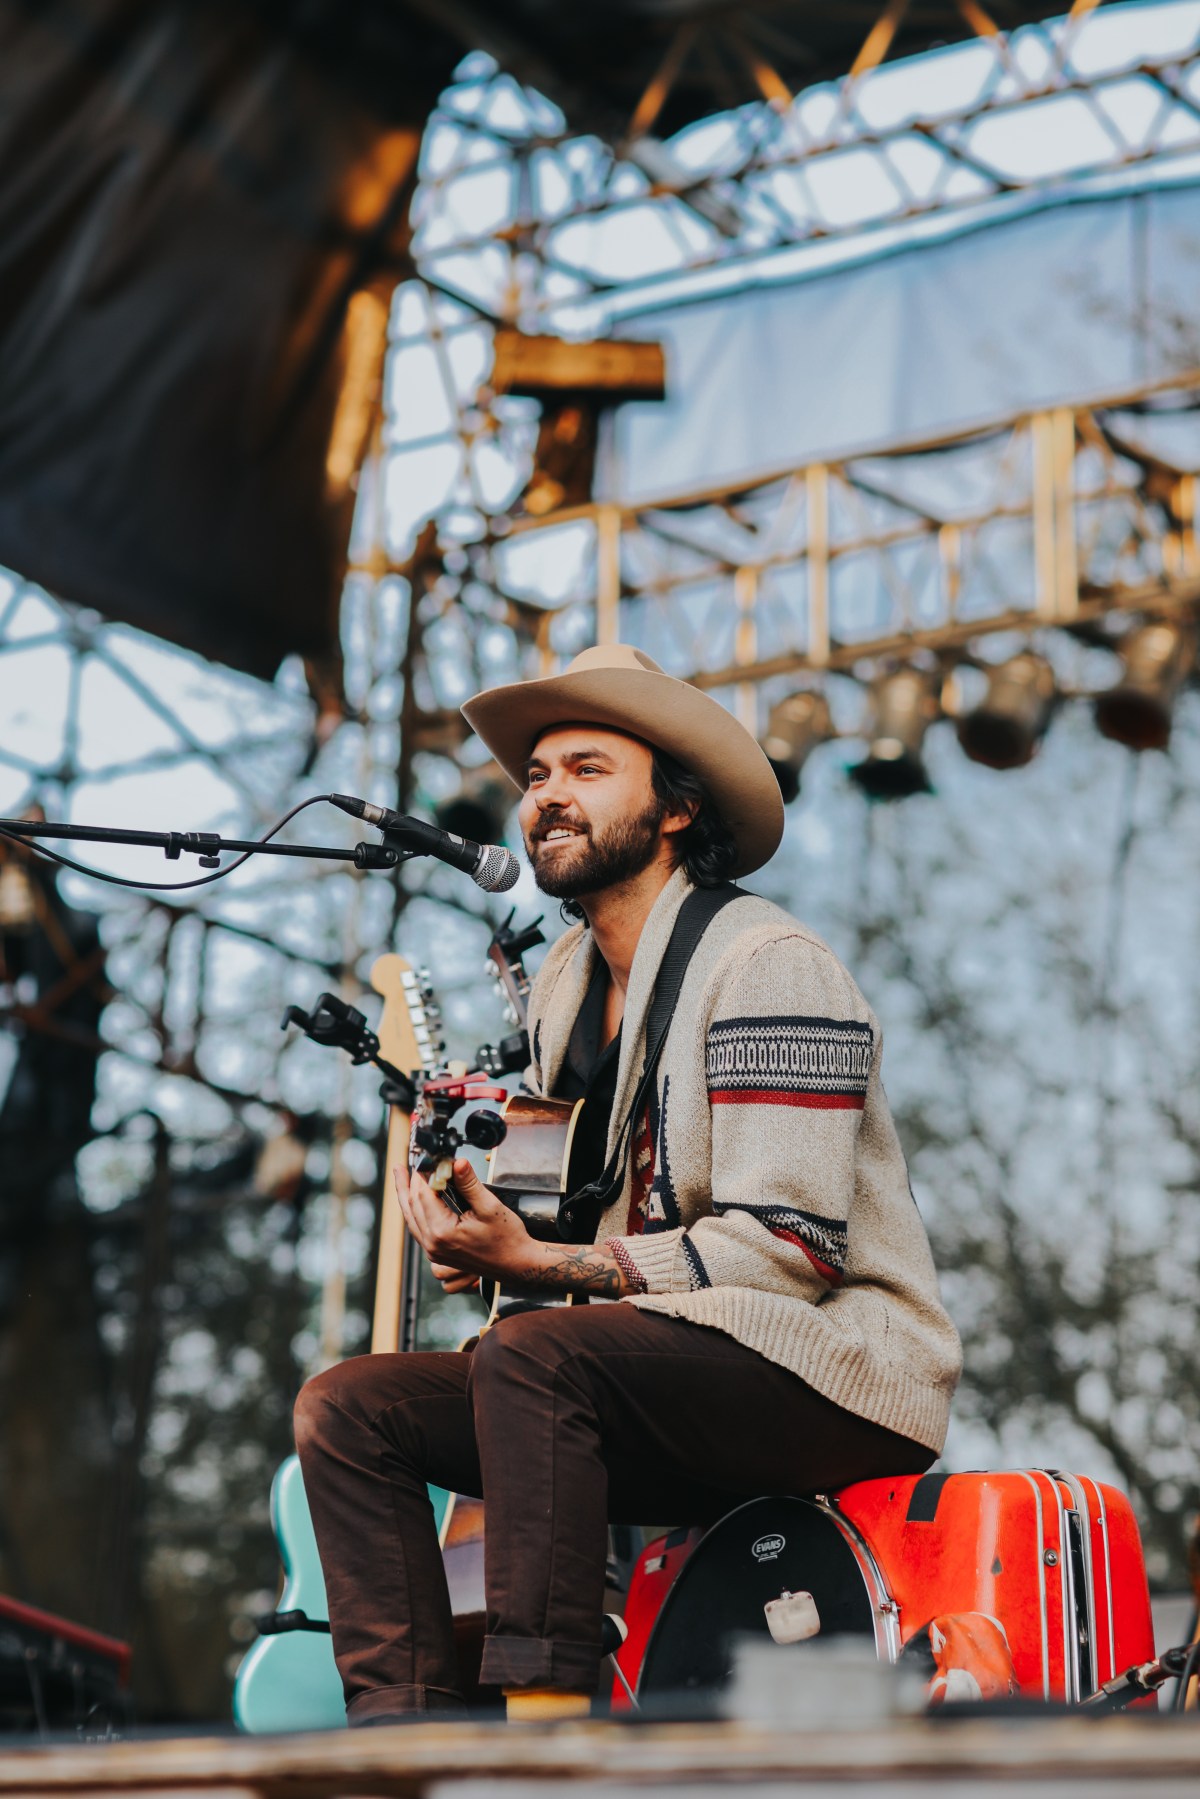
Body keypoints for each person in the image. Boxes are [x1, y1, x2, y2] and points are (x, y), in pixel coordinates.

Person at [294, 643, 963, 1724]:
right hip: (649, 1367)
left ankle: (548, 1724)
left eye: (587, 769)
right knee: (348, 1406)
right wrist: (486, 1242)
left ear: (676, 810)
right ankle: (402, 1735)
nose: (546, 795)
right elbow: (564, 1211)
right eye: (537, 775)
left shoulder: (769, 963)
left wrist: (547, 1262)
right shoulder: (564, 982)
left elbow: (787, 1248)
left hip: (833, 1368)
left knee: (532, 1359)